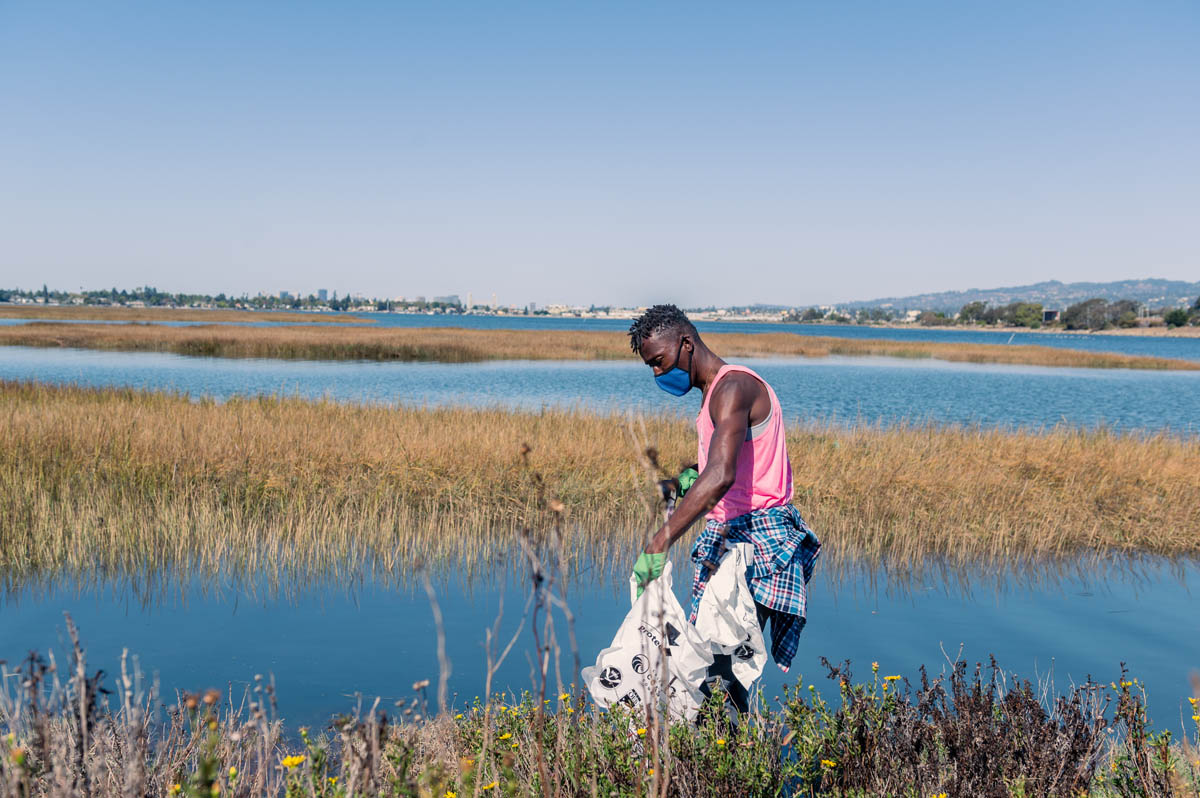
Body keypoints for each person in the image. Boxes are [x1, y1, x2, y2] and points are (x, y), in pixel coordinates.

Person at [628, 304, 820, 710]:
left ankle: (723, 767)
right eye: (651, 367)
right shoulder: (716, 393)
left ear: (686, 343)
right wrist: (689, 476)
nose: (658, 374)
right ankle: (719, 762)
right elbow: (723, 461)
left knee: (720, 677)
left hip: (756, 544)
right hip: (732, 539)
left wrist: (659, 543)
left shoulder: (733, 387)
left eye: (660, 362)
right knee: (717, 670)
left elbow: (721, 476)